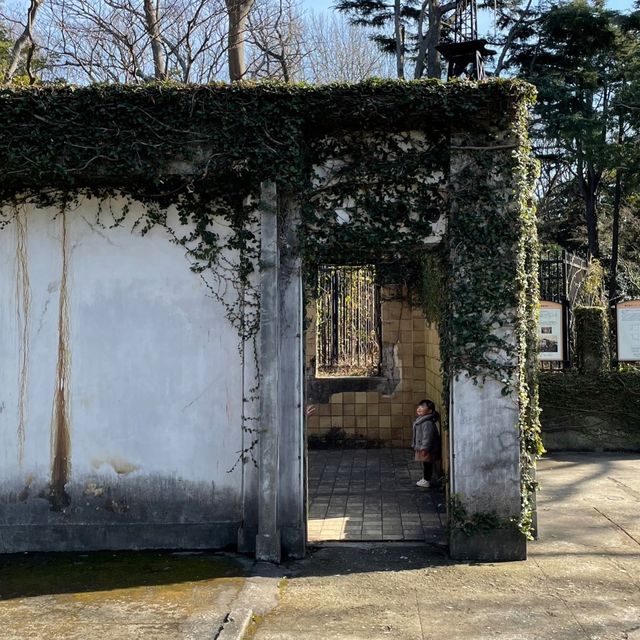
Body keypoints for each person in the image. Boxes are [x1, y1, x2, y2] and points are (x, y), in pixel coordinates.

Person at [411, 399, 441, 488]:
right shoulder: (421, 420)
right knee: (426, 463)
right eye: (419, 406)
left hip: (428, 449)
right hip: (425, 447)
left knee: (428, 464)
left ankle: (427, 480)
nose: (419, 408)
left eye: (423, 407)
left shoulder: (427, 423)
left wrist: (425, 448)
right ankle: (425, 479)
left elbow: (428, 437)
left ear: (430, 411)